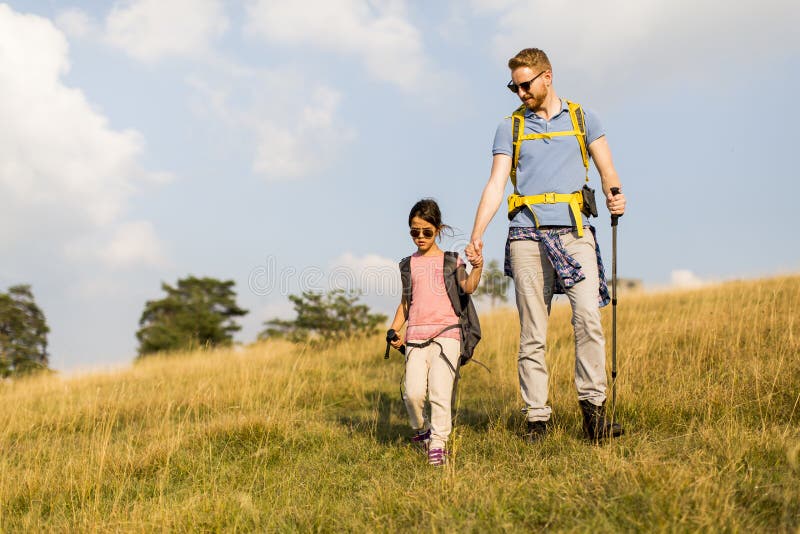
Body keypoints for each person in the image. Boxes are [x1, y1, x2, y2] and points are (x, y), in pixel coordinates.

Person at [466, 48, 626, 442]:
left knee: (588, 318)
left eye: (526, 85)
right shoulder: (510, 127)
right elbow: (496, 183)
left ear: (547, 76)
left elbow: (607, 168)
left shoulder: (583, 118)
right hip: (526, 235)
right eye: (514, 86)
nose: (520, 93)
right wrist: (477, 233)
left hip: (575, 233)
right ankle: (537, 420)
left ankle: (594, 416)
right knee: (532, 331)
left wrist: (614, 195)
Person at [388, 199, 483, 465]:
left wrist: (478, 267)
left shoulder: (451, 261)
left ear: (438, 229)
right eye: (414, 232)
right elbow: (406, 303)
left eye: (426, 232)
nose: (420, 237)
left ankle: (438, 445)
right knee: (413, 394)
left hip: (447, 336)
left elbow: (468, 287)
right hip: (415, 338)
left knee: (441, 393)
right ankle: (423, 431)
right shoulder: (408, 265)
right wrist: (394, 329)